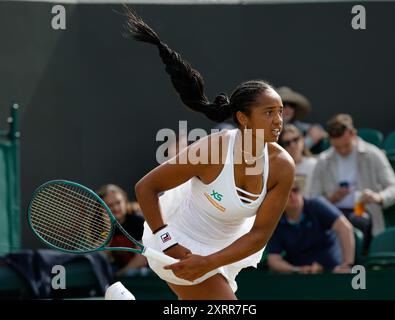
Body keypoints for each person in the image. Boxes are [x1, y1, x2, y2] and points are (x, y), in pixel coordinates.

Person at [123, 8, 295, 300]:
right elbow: (147, 188)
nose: (278, 120)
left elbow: (259, 235)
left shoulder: (282, 167)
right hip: (179, 243)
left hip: (222, 256)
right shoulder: (212, 150)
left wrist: (210, 262)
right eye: (269, 113)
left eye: (280, 112)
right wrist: (168, 243)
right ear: (243, 118)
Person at [308, 114, 395, 247]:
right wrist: (331, 199)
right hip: (334, 212)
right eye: (337, 147)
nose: (342, 150)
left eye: (346, 145)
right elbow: (313, 199)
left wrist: (378, 197)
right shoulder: (323, 161)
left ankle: (354, 264)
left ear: (354, 134)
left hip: (363, 213)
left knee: (359, 221)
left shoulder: (373, 154)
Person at [267, 177, 355, 274]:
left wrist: (347, 265)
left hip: (332, 271)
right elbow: (273, 260)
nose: (292, 195)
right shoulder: (275, 220)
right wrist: (297, 270)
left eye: (295, 190)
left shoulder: (317, 205)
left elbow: (345, 228)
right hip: (300, 280)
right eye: (286, 192)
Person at [97, 184, 149, 277]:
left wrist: (120, 274)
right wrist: (107, 228)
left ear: (125, 201)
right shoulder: (100, 225)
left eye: (118, 202)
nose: (116, 208)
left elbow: (142, 259)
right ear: (102, 207)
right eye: (110, 205)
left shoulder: (137, 221)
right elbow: (102, 256)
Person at [276, 86, 327, 151]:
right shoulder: (266, 127)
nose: (288, 109)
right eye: (284, 105)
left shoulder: (296, 125)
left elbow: (317, 130)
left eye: (291, 105)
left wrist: (314, 130)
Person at [279, 124, 317, 196]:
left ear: (302, 139)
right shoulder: (279, 169)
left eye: (295, 139)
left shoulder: (315, 164)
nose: (292, 145)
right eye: (287, 143)